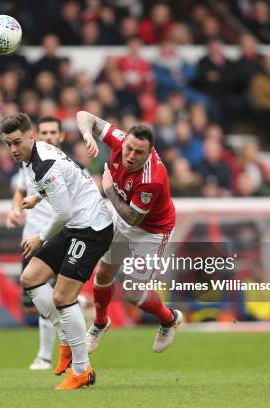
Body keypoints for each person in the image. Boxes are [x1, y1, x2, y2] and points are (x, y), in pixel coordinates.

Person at [0, 113, 113, 390]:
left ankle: (82, 369)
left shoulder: (44, 162)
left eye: (17, 142)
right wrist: (37, 196)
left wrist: (40, 238)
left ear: (31, 136)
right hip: (76, 225)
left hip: (91, 227)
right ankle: (67, 338)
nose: (13, 149)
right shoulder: (33, 156)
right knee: (30, 279)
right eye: (8, 144)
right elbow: (66, 180)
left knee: (62, 296)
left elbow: (63, 212)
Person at [76, 110, 183, 354]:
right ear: (124, 141)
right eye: (129, 149)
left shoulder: (152, 178)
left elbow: (134, 219)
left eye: (139, 152)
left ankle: (169, 319)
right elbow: (84, 115)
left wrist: (108, 190)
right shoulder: (119, 138)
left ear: (149, 153)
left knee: (133, 293)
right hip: (124, 217)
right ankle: (100, 323)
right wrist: (87, 135)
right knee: (103, 273)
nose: (131, 155)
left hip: (151, 231)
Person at [6, 116, 65, 371]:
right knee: (33, 304)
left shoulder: (68, 166)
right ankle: (74, 308)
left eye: (54, 132)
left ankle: (45, 355)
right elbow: (20, 190)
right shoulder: (27, 164)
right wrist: (13, 210)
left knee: (46, 293)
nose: (50, 136)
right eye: (45, 132)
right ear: (36, 135)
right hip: (31, 238)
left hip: (57, 238)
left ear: (61, 136)